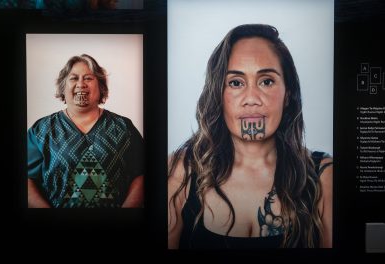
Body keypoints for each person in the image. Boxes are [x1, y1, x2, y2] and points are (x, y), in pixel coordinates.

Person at [168, 24, 333, 248]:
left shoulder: (324, 177)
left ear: (288, 94)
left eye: (266, 81)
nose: (252, 98)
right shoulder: (181, 171)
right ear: (218, 94)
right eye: (236, 83)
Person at [28, 54, 144, 208]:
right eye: (74, 78)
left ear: (101, 86)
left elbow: (141, 174)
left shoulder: (124, 127)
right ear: (63, 87)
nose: (81, 84)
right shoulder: (41, 130)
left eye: (88, 78)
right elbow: (27, 179)